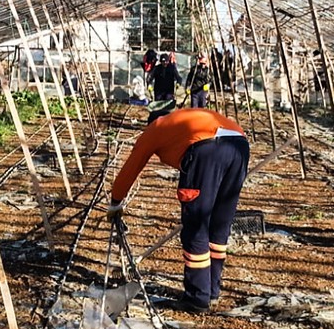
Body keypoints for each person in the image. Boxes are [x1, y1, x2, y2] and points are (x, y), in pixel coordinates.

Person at [107, 108, 250, 314]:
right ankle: (211, 290)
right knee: (219, 226)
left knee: (196, 226)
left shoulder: (155, 128)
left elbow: (132, 166)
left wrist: (115, 201)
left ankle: (197, 298)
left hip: (207, 151)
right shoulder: (185, 120)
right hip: (239, 146)